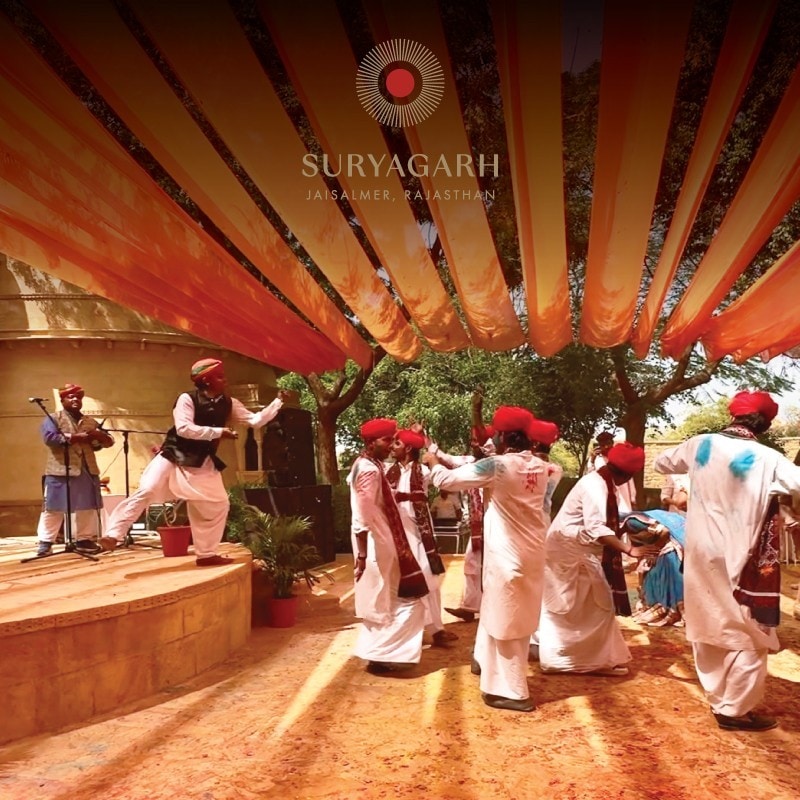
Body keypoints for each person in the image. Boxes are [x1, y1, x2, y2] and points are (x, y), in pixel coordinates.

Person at [655, 390, 800, 732]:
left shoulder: (700, 444)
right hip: (742, 555)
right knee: (752, 632)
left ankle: (720, 698)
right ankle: (733, 709)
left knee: (708, 621)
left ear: (733, 416)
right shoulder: (770, 458)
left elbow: (662, 463)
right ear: (765, 424)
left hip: (700, 551)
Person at [425, 406, 553, 712]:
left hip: (507, 557)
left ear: (504, 437)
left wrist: (432, 461)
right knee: (497, 612)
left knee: (508, 621)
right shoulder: (542, 467)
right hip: (532, 554)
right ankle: (482, 659)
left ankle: (512, 691)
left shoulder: (497, 466)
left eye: (495, 435)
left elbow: (447, 481)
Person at [99, 359, 286, 566]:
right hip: (173, 454)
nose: (225, 379)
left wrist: (277, 402)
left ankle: (206, 554)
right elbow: (183, 429)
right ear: (206, 380)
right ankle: (113, 534)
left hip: (201, 460)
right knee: (148, 489)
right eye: (219, 376)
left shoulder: (229, 403)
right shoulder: (186, 399)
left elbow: (255, 421)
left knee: (218, 504)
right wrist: (218, 432)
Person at [538, 443, 661, 677]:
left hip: (576, 550)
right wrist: (628, 549)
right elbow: (596, 527)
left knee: (586, 606)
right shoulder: (596, 486)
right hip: (571, 551)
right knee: (580, 605)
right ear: (627, 475)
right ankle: (570, 660)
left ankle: (579, 658)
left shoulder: (602, 482)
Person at [349, 418, 429, 674]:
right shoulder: (370, 470)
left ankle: (379, 654)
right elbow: (361, 514)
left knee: (386, 599)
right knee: (396, 600)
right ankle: (381, 653)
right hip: (376, 542)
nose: (391, 445)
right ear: (371, 442)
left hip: (379, 540)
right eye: (387, 440)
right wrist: (362, 555)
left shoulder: (366, 464)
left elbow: (379, 500)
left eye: (394, 440)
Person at [386, 428, 455, 648]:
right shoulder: (388, 472)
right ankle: (413, 632)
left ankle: (436, 629)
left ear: (408, 448)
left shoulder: (424, 472)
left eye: (397, 444)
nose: (391, 447)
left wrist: (425, 439)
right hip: (396, 534)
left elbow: (446, 472)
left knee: (428, 578)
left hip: (418, 533)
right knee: (402, 582)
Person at [35, 383, 114, 556]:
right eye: (70, 397)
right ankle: (46, 542)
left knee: (87, 506)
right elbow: (50, 438)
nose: (75, 399)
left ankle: (84, 540)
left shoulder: (90, 421)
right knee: (53, 507)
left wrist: (98, 436)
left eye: (78, 397)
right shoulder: (53, 418)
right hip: (60, 470)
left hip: (87, 469)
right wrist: (76, 437)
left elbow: (106, 442)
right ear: (63, 401)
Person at [622, 509, 686, 627]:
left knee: (663, 578)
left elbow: (665, 531)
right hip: (658, 547)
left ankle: (670, 610)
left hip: (667, 547)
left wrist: (654, 551)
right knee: (649, 573)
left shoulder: (632, 523)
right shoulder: (628, 526)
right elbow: (639, 547)